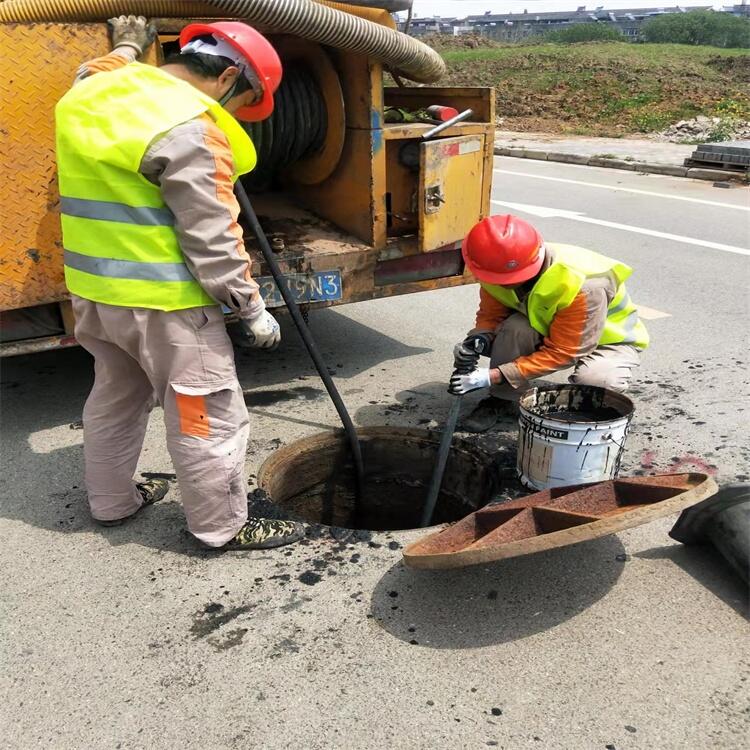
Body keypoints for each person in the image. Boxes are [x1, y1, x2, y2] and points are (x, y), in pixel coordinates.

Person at [56, 15, 304, 549]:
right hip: (167, 314)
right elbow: (211, 234)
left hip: (97, 302)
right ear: (229, 76)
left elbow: (94, 69)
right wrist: (249, 307)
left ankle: (112, 502)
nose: (231, 114)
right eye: (239, 101)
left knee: (116, 397)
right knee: (202, 414)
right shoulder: (190, 128)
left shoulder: (89, 92)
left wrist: (127, 45)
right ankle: (221, 527)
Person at [449, 214, 649, 432]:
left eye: (511, 279)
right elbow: (491, 314)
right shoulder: (494, 266)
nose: (504, 285)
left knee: (597, 382)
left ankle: (587, 420)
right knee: (516, 328)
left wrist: (495, 375)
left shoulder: (585, 283)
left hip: (606, 341)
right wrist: (479, 337)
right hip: (548, 328)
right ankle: (502, 398)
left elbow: (566, 351)